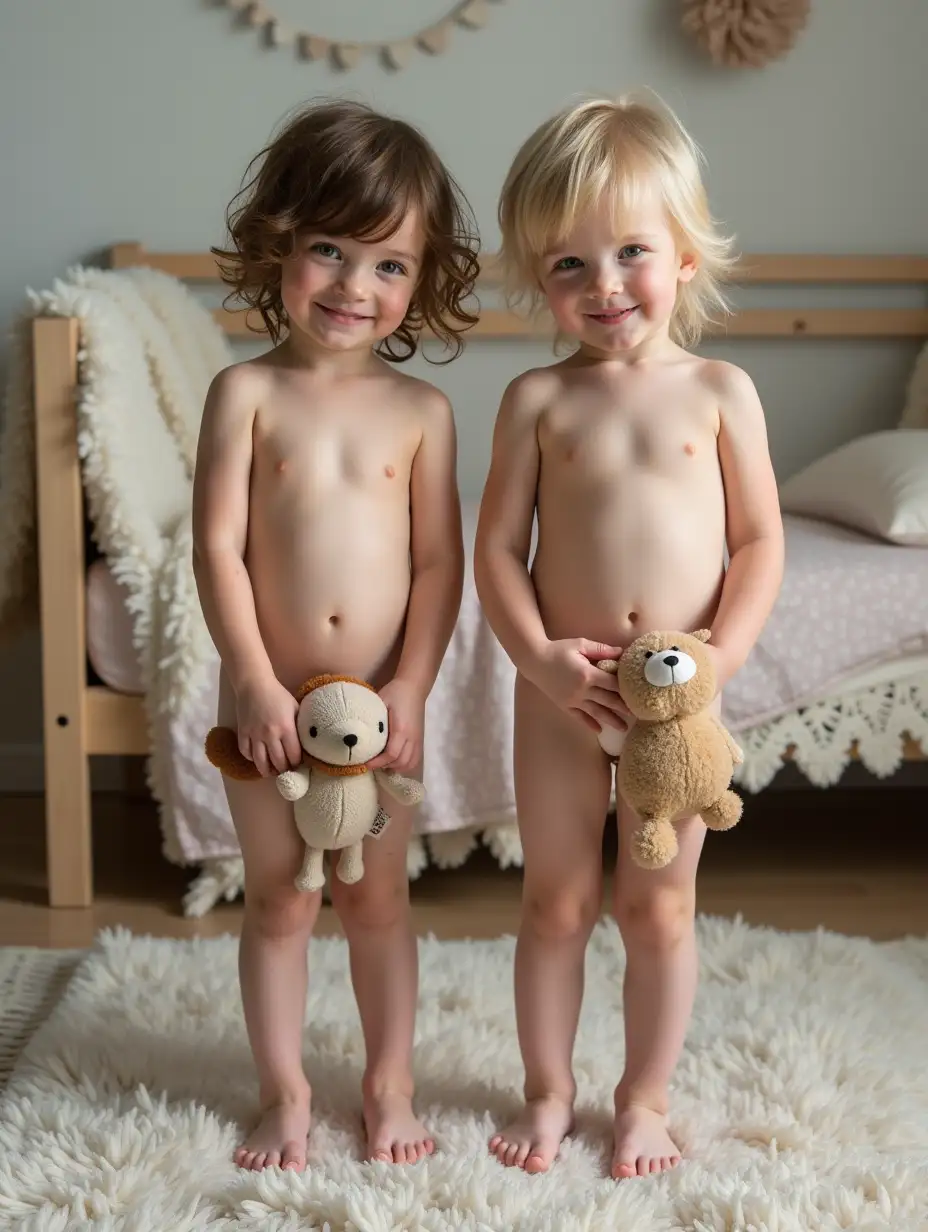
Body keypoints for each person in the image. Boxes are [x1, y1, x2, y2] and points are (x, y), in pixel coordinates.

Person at [474, 93, 784, 1180]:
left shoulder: (719, 391)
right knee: (555, 897)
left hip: (676, 709)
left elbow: (758, 544)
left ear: (687, 256)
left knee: (659, 901)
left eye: (630, 252)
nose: (602, 285)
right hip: (565, 694)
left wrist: (723, 661)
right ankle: (548, 1087)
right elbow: (496, 555)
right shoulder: (535, 402)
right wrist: (540, 661)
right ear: (536, 279)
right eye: (567, 265)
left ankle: (643, 1095)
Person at [192, 99, 478, 1172]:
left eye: (389, 265)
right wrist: (254, 682)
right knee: (278, 899)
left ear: (423, 280)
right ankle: (284, 1092)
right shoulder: (245, 392)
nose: (355, 288)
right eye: (328, 251)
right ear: (278, 243)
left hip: (381, 710)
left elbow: (441, 563)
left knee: (374, 898)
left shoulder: (421, 414)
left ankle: (388, 1081)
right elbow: (217, 550)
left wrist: (410, 686)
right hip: (267, 706)